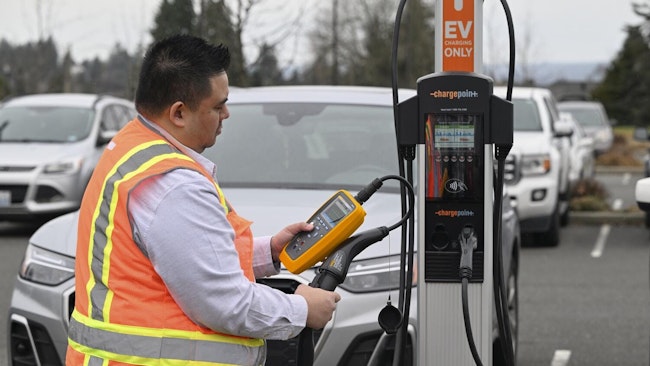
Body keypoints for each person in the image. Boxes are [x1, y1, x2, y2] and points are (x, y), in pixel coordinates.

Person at [66, 34, 341, 366]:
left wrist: (269, 251)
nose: (226, 114)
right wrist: (303, 310)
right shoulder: (173, 186)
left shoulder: (132, 148)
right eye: (218, 105)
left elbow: (179, 259)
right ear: (179, 113)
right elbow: (225, 303)